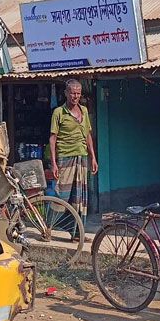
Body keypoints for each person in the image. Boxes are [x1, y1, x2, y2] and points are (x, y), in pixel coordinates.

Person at [49, 79, 97, 220]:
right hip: (65, 157)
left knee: (80, 197)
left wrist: (93, 157)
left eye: (78, 93)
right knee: (62, 195)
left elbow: (88, 135)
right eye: (72, 93)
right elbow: (53, 138)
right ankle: (48, 227)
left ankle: (77, 232)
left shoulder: (84, 111)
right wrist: (54, 163)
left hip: (82, 157)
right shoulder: (58, 112)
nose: (75, 96)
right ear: (66, 93)